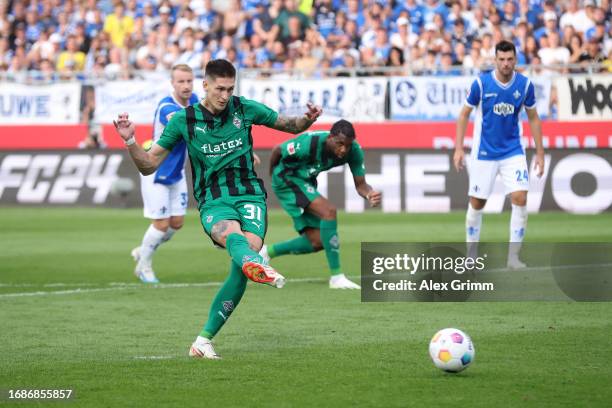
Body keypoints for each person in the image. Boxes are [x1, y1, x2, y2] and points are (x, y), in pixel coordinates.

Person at [114, 59, 322, 359]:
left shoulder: (244, 108)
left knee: (242, 262)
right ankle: (257, 264)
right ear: (206, 86)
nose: (224, 95)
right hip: (213, 198)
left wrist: (307, 120)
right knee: (232, 236)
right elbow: (148, 165)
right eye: (219, 89)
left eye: (230, 89)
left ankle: (203, 341)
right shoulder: (184, 120)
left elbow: (288, 125)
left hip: (250, 194)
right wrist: (131, 140)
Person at [454, 40, 545, 269]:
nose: (506, 64)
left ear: (515, 60)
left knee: (521, 198)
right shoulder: (481, 84)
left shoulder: (524, 85)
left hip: (513, 150)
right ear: (495, 60)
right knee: (477, 202)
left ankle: (513, 257)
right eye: (502, 59)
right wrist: (458, 148)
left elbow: (533, 118)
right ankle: (471, 254)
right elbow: (464, 114)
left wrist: (540, 154)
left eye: (510, 59)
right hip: (484, 152)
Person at [260, 120, 382, 289]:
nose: (343, 149)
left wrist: (369, 194)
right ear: (330, 138)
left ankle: (266, 252)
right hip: (287, 179)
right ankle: (337, 277)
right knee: (329, 211)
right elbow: (277, 150)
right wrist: (272, 176)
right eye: (339, 144)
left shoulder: (353, 151)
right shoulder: (310, 142)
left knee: (318, 241)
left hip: (306, 181)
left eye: (347, 145)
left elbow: (361, 185)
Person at [130, 64, 199, 284]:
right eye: (181, 81)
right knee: (160, 224)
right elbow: (184, 123)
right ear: (172, 83)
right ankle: (144, 267)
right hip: (156, 172)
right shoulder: (166, 107)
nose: (186, 85)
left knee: (176, 223)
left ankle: (144, 249)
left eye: (189, 80)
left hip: (176, 172)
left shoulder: (195, 99)